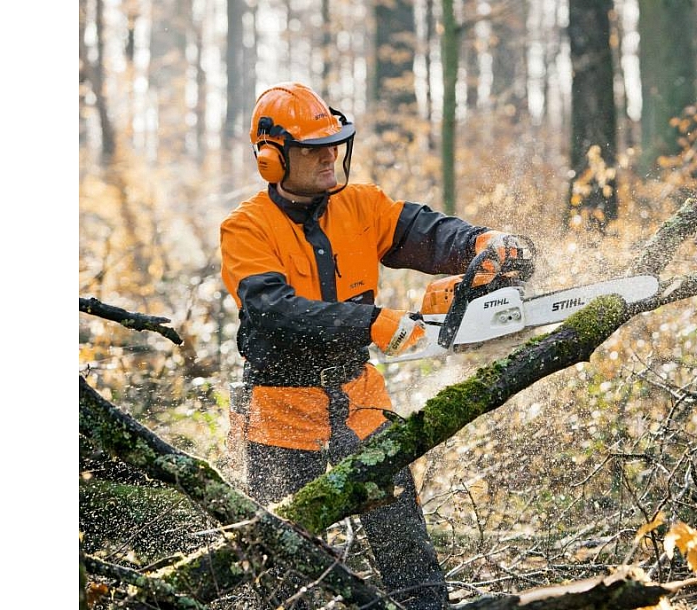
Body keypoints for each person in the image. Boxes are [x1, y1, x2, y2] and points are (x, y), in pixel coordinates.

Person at [219, 82, 531, 610]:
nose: (329, 157)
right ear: (272, 158)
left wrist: (481, 244)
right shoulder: (246, 228)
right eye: (313, 149)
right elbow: (275, 311)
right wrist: (371, 322)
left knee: (404, 545)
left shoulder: (360, 205)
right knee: (288, 573)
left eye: (333, 144)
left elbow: (424, 232)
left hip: (359, 403)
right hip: (281, 418)